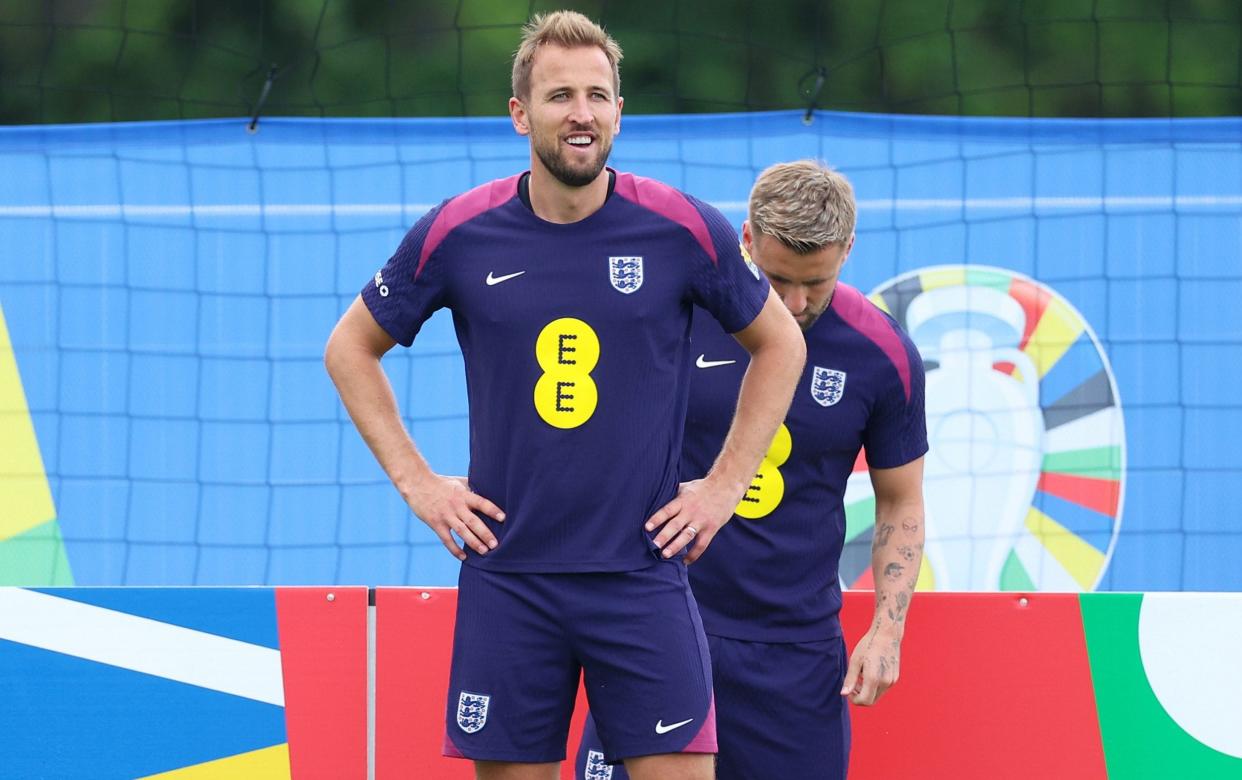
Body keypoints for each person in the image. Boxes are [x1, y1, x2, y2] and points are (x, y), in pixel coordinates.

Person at [324, 11, 805, 780]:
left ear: (619, 109)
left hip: (641, 575)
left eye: (597, 95)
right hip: (509, 579)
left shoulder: (680, 227)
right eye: (559, 97)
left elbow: (781, 343)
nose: (581, 113)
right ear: (520, 114)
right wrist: (420, 483)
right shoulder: (459, 231)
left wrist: (722, 488)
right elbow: (350, 347)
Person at [576, 160, 928, 780]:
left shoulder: (885, 354)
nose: (793, 304)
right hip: (658, 630)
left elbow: (901, 501)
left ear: (848, 249)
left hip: (792, 657)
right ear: (745, 240)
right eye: (776, 280)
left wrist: (886, 630)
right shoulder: (672, 319)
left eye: (814, 284)